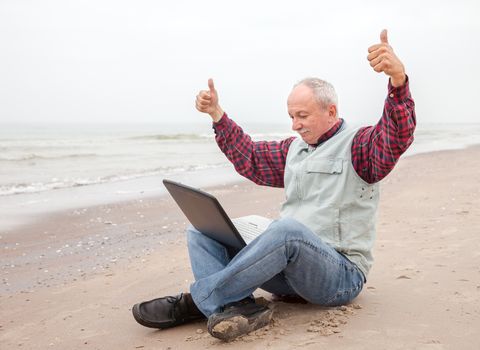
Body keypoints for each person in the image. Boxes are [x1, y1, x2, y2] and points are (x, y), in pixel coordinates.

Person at [132, 29, 416, 341]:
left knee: (285, 231)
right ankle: (238, 306)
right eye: (292, 116)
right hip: (288, 277)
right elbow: (250, 157)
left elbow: (395, 137)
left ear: (331, 112)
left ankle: (198, 302)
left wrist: (398, 81)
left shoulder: (359, 146)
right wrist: (217, 115)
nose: (295, 124)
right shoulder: (293, 150)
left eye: (302, 115)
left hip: (338, 277)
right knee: (201, 228)